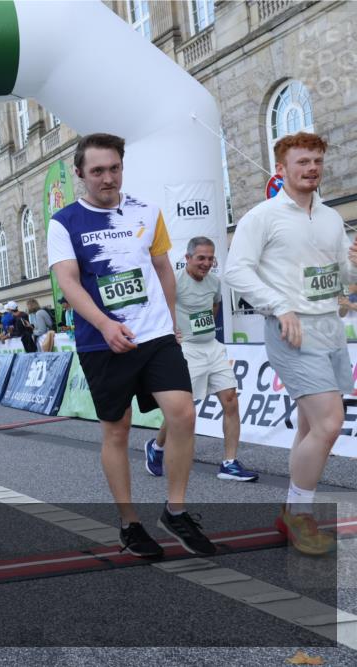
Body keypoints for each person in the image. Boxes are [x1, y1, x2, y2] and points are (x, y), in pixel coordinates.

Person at [47, 132, 215, 558]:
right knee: (117, 430)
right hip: (102, 342)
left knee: (183, 414)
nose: (108, 178)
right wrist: (105, 324)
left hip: (155, 336)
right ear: (80, 173)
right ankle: (130, 523)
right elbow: (68, 282)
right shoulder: (65, 222)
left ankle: (175, 510)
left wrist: (170, 320)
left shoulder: (147, 210)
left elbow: (163, 269)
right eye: (97, 171)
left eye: (114, 168)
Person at [225, 132, 355, 556]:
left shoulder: (331, 217)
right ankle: (299, 515)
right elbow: (235, 271)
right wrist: (279, 307)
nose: (312, 168)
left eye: (317, 161)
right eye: (303, 162)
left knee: (309, 426)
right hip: (291, 330)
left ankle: (292, 511)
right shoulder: (262, 216)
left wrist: (353, 268)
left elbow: (343, 278)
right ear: (281, 169)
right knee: (329, 424)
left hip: (330, 328)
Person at [143, 237, 259, 482]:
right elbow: (158, 308)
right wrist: (172, 331)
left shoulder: (214, 282)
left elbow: (214, 307)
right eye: (201, 258)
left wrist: (203, 330)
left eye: (210, 258)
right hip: (187, 350)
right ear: (187, 258)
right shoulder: (174, 281)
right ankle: (157, 446)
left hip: (212, 347)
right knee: (182, 410)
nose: (206, 263)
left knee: (231, 400)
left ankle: (229, 464)